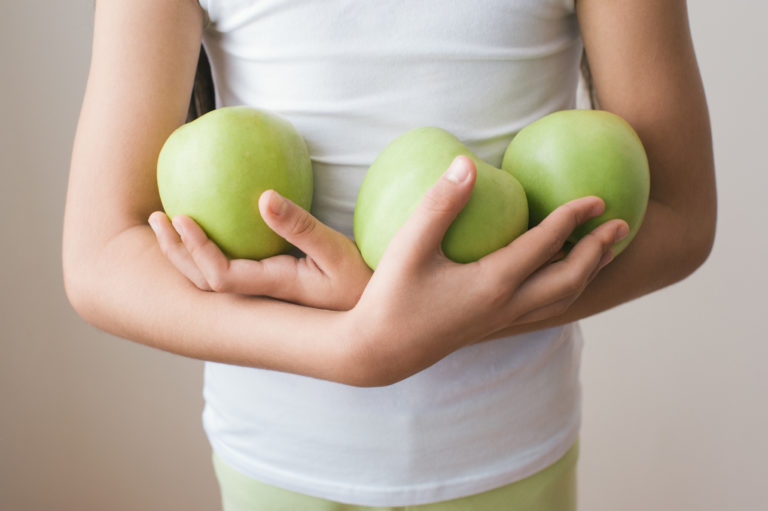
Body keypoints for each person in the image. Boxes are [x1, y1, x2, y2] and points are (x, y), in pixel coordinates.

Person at [62, 0, 716, 509]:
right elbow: (102, 254)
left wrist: (400, 323)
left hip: (506, 455)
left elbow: (679, 214)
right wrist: (356, 344)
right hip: (277, 458)